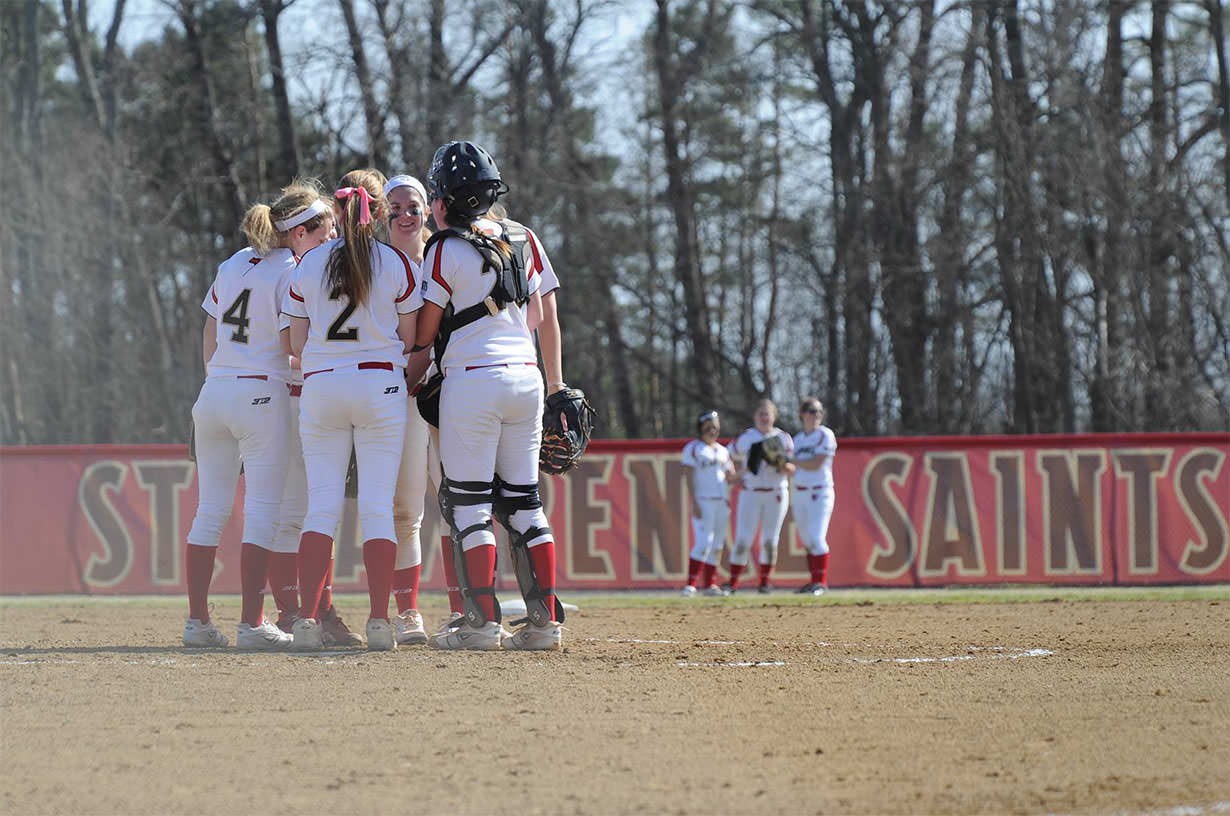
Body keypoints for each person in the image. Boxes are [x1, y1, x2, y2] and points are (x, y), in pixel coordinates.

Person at [406, 140, 563, 651]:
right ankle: (545, 624)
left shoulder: (443, 247)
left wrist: (412, 369)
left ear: (444, 200)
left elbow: (425, 331)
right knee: (525, 502)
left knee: (469, 504)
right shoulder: (525, 235)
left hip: (473, 380)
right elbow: (541, 316)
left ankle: (481, 623)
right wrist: (557, 384)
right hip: (526, 377)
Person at [184, 182, 334, 649]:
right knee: (263, 511)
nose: (329, 238)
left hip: (214, 392)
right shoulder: (295, 269)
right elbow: (294, 344)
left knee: (209, 511)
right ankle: (252, 622)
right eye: (323, 230)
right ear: (299, 231)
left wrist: (218, 376)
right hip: (261, 393)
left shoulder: (232, 263)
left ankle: (197, 622)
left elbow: (210, 330)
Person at [282, 168, 420, 651]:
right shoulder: (395, 262)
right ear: (378, 211)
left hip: (323, 385)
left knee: (321, 507)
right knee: (378, 507)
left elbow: (295, 343)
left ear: (336, 211)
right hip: (380, 384)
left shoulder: (309, 263)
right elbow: (409, 338)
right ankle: (380, 621)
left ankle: (307, 621)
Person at [384, 173, 437, 645]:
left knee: (464, 503)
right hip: (396, 394)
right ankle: (408, 612)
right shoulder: (375, 264)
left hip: (450, 391)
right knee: (405, 509)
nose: (405, 215)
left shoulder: (445, 253)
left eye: (413, 206)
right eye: (394, 208)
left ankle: (470, 610)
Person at [725, 398, 795, 594]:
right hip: (751, 492)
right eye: (761, 414)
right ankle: (733, 583)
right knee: (743, 539)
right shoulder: (747, 437)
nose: (764, 418)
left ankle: (764, 582)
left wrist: (779, 463)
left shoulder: (783, 438)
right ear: (755, 416)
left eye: (768, 414)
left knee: (769, 540)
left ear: (774, 416)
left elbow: (791, 468)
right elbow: (726, 455)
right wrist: (738, 475)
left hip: (776, 492)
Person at [680, 411, 736, 597]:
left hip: (721, 502)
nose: (712, 431)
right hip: (703, 501)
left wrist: (750, 470)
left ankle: (710, 584)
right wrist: (694, 501)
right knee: (704, 543)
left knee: (717, 544)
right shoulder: (693, 448)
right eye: (708, 428)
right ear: (700, 428)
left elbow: (730, 476)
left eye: (715, 428)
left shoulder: (723, 450)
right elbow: (689, 476)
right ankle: (690, 585)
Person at [791, 397, 837, 595]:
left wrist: (793, 461)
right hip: (800, 492)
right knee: (807, 540)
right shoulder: (797, 439)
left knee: (817, 538)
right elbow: (791, 467)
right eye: (811, 411)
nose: (816, 415)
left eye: (819, 411)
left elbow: (817, 463)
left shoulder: (825, 434)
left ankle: (821, 583)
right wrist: (779, 462)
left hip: (820, 492)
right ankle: (814, 582)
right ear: (802, 414)